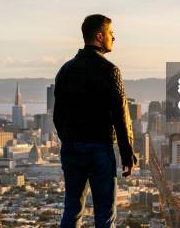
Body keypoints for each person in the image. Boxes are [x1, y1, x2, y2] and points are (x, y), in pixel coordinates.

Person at [53, 14, 138, 228]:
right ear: (100, 36)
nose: (113, 38)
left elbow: (57, 115)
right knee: (105, 214)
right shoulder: (110, 71)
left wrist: (70, 140)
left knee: (72, 208)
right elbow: (121, 117)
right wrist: (128, 154)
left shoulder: (65, 70)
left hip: (71, 148)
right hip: (99, 148)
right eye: (111, 33)